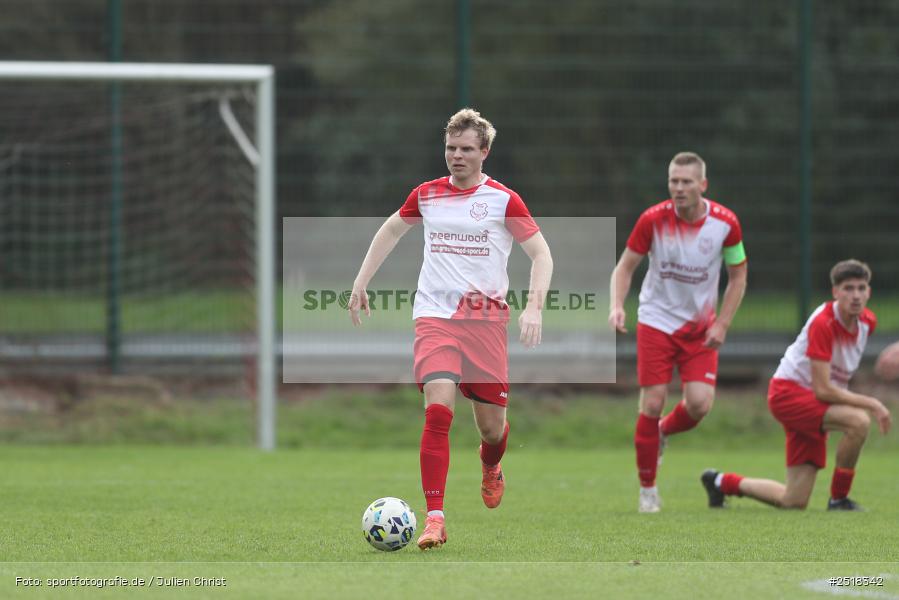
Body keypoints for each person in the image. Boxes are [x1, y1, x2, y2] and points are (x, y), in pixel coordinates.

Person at [348, 108, 553, 549]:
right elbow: (390, 230)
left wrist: (534, 307)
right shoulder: (426, 194)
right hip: (435, 317)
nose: (456, 156)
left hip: (485, 321)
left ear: (485, 152)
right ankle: (435, 519)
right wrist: (361, 281)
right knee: (438, 411)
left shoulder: (503, 200)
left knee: (492, 430)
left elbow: (541, 254)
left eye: (465, 149)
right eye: (450, 148)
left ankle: (491, 464)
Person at [608, 152, 748, 513]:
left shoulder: (726, 223)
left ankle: (663, 432)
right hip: (656, 320)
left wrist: (722, 323)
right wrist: (618, 305)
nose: (679, 188)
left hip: (700, 329)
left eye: (687, 182)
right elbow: (625, 268)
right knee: (652, 401)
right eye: (674, 181)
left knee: (700, 404)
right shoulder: (653, 220)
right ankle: (648, 491)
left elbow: (738, 277)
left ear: (703, 185)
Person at [701, 260, 891, 511]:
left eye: (861, 288)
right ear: (835, 292)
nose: (855, 295)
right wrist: (873, 403)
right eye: (848, 288)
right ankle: (839, 499)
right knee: (858, 421)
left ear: (869, 292)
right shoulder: (824, 323)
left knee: (793, 500)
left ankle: (720, 482)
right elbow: (823, 389)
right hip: (789, 395)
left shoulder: (868, 322)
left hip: (814, 401)